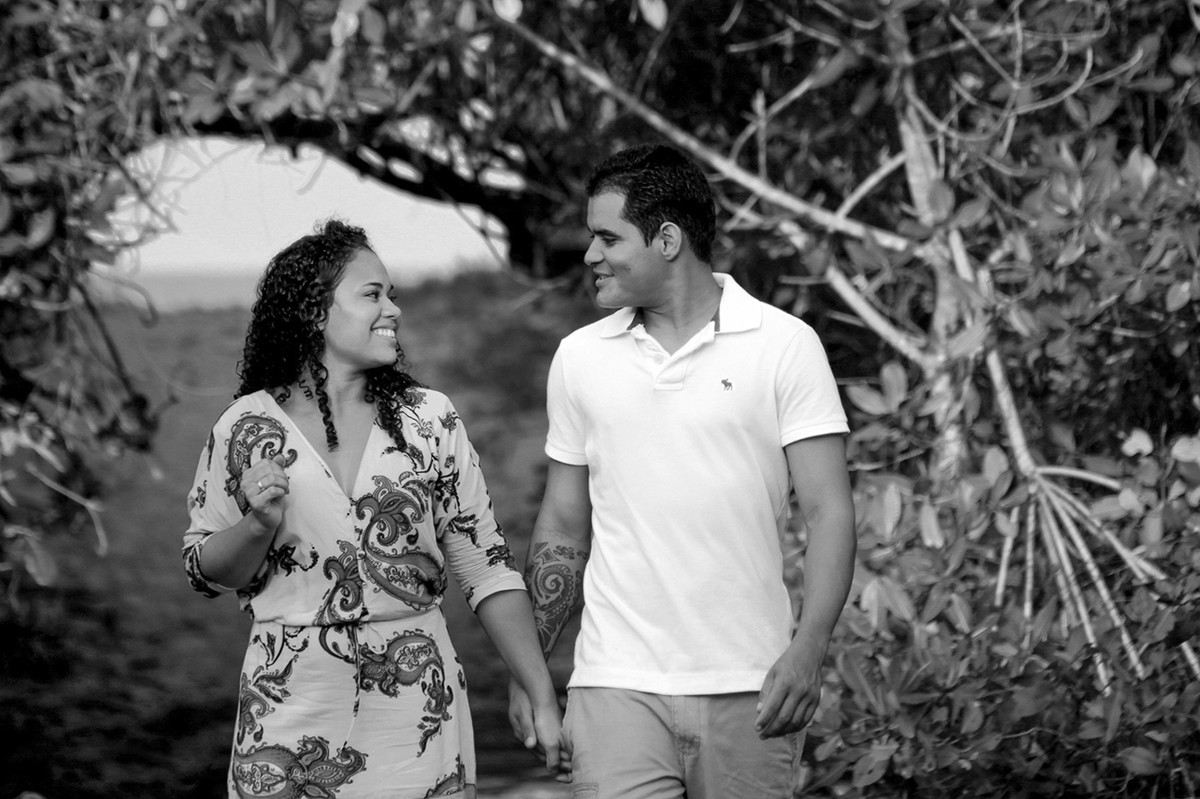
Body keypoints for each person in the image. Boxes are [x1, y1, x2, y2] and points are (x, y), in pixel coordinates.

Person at [508, 144, 857, 798]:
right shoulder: (579, 358)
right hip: (614, 681)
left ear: (667, 240)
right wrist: (532, 669)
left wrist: (808, 649)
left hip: (753, 685)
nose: (590, 254)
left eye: (608, 237)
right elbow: (562, 524)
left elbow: (829, 511)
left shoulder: (784, 345)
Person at [183, 219, 560, 798]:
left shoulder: (429, 420)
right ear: (314, 311)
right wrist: (257, 524)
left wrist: (539, 691)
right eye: (372, 294)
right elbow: (204, 571)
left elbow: (486, 568)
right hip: (287, 707)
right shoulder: (244, 428)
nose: (393, 310)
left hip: (417, 712)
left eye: (392, 294)